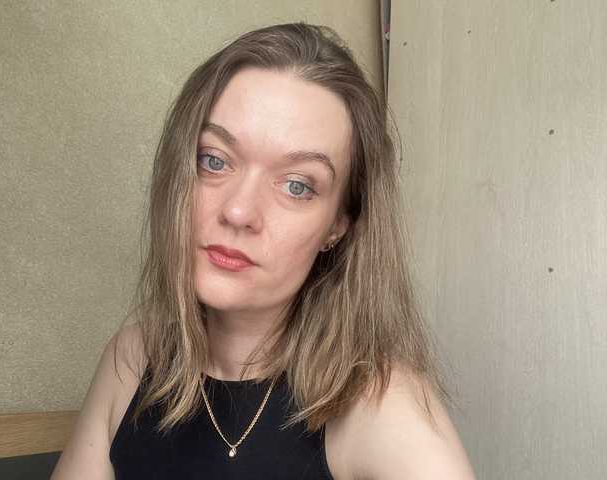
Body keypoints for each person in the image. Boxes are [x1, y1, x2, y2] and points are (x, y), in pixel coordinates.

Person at [51, 22, 476, 479]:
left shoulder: (381, 403)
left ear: (338, 224)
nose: (238, 211)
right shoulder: (133, 359)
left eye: (296, 186)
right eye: (214, 161)